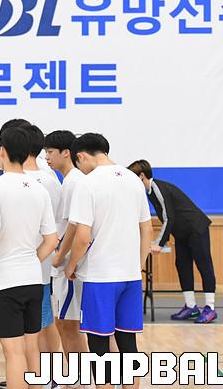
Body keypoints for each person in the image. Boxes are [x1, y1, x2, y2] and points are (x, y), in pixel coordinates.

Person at [65, 133, 154, 389]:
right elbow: (147, 229)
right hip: (130, 277)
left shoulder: (87, 184)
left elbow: (82, 237)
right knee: (128, 345)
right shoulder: (134, 180)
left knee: (99, 346)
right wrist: (138, 265)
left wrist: (71, 265)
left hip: (100, 277)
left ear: (81, 156)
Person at [0, 127, 58, 389]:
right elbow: (52, 240)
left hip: (4, 283)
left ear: (2, 152)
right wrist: (30, 260)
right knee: (31, 347)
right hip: (32, 281)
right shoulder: (39, 190)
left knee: (14, 353)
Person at [0, 120, 62, 389]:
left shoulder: (35, 182)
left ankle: (46, 377)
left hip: (26, 269)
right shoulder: (47, 181)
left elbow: (53, 229)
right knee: (36, 329)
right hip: (34, 268)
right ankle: (38, 377)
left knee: (37, 330)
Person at [128, 159, 217, 323]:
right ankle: (191, 307)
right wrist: (163, 240)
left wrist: (159, 243)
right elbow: (165, 216)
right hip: (182, 233)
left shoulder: (157, 188)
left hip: (196, 228)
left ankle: (210, 308)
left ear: (141, 176)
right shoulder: (149, 192)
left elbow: (169, 217)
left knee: (204, 266)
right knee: (182, 265)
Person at [44, 131, 89, 375]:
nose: (47, 157)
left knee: (68, 325)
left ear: (66, 153)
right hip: (65, 266)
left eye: (50, 152)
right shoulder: (69, 180)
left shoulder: (74, 182)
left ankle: (78, 379)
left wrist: (60, 257)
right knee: (65, 324)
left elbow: (75, 226)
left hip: (68, 268)